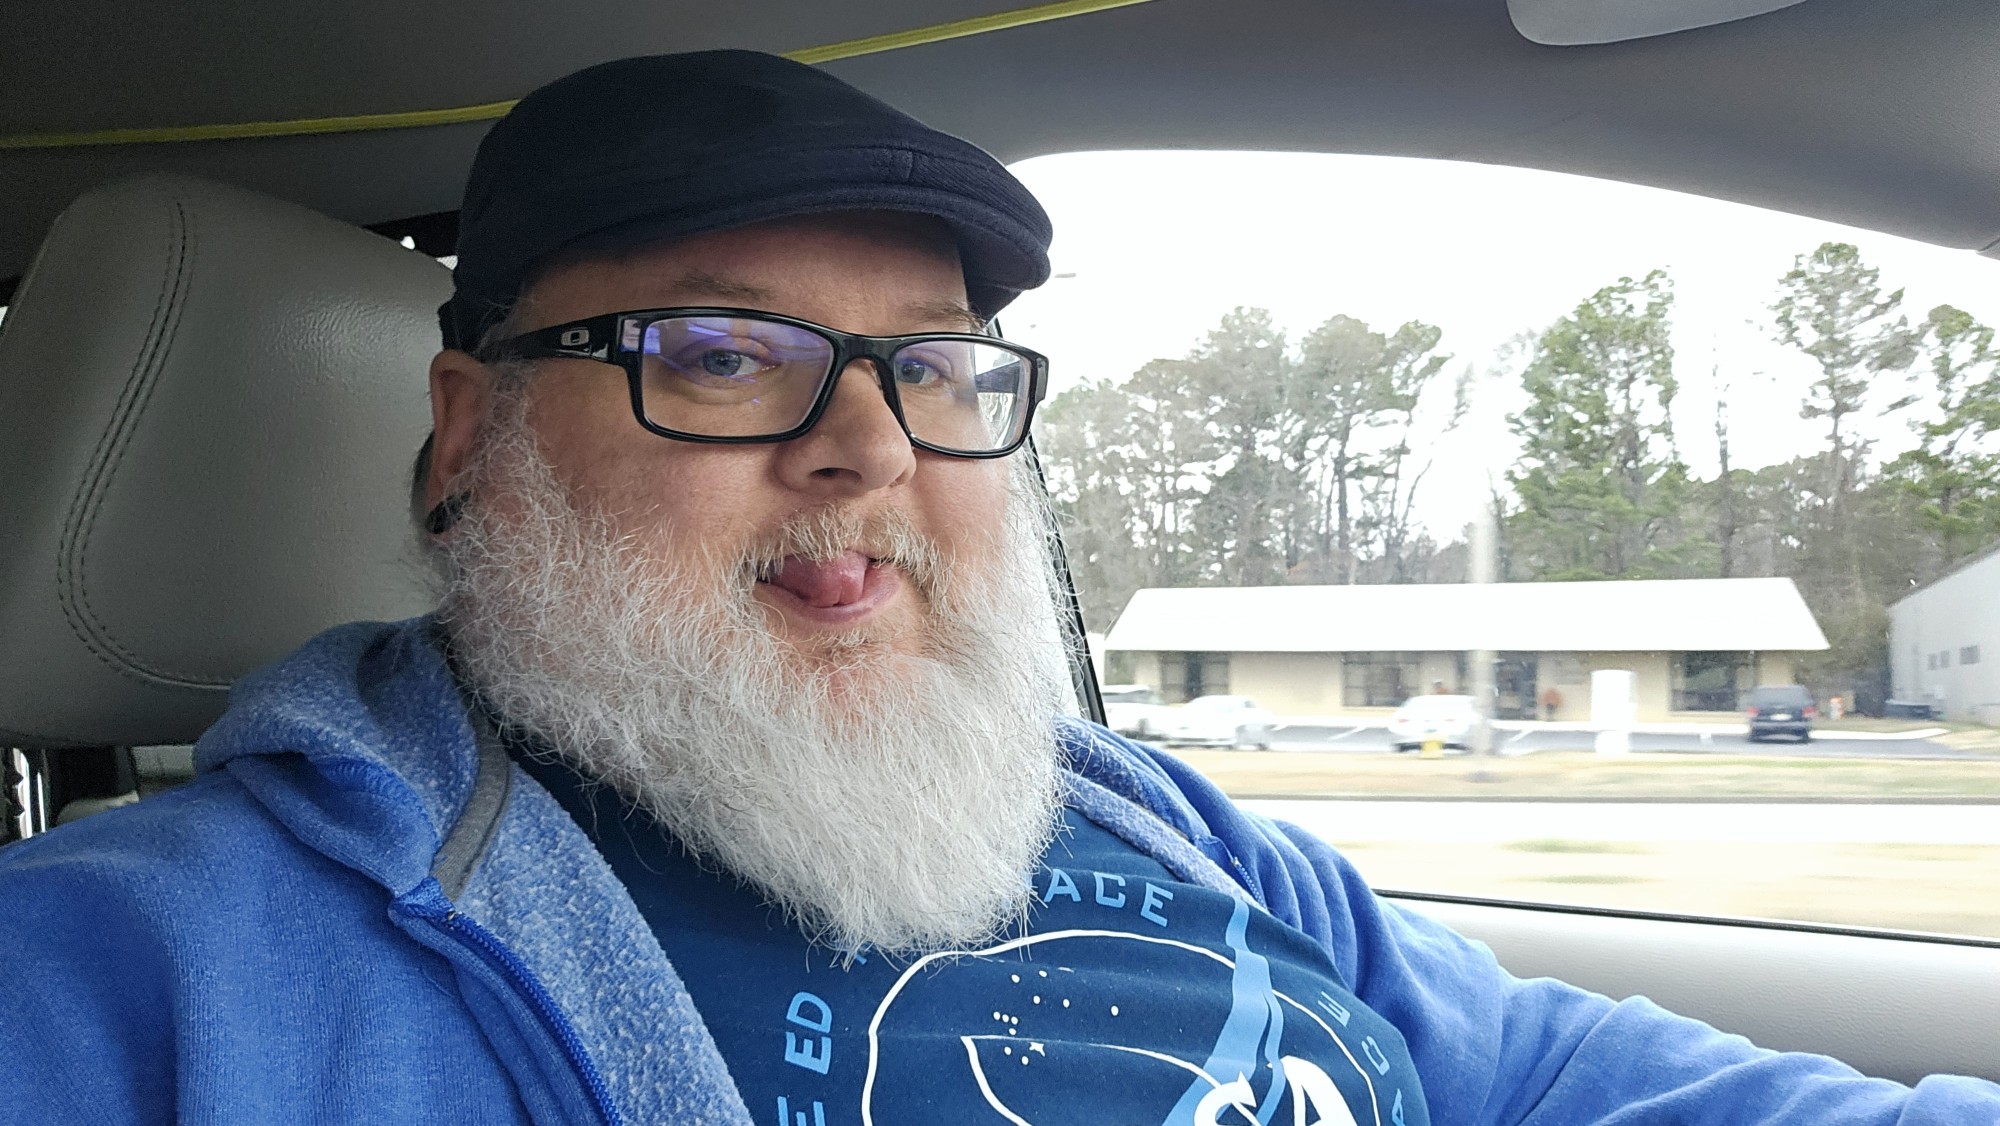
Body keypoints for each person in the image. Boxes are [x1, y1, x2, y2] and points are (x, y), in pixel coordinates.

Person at [1, 51, 1996, 1125]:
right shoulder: (129, 977)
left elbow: (1553, 1079)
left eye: (938, 368)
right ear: (470, 436)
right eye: (723, 352)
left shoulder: (1154, 816)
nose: (869, 446)